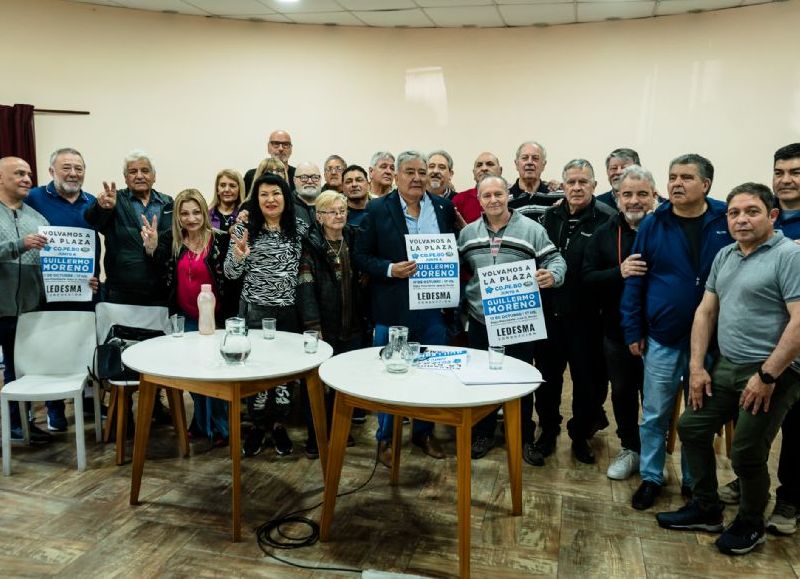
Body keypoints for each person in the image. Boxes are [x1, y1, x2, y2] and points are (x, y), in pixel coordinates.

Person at [656, 182, 800, 556]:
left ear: (771, 216)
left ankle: (751, 523)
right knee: (691, 427)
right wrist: (697, 367)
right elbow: (705, 311)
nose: (741, 219)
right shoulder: (726, 256)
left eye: (751, 211)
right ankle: (706, 508)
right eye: (734, 213)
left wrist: (767, 375)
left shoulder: (789, 256)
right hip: (726, 365)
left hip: (775, 372)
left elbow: (799, 322)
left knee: (747, 453)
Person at [621, 154, 733, 511]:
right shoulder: (655, 223)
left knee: (698, 419)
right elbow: (635, 278)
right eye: (672, 177)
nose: (676, 183)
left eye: (686, 177)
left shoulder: (724, 218)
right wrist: (632, 328)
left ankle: (693, 480)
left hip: (714, 341)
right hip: (662, 338)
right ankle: (652, 476)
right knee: (654, 413)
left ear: (706, 185)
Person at [717, 143, 800, 534]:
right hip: (760, 350)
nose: (786, 179)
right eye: (780, 171)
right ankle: (749, 480)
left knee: (797, 430)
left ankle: (790, 498)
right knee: (752, 426)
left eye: (796, 172)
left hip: (793, 353)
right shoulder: (762, 227)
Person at [355, 150, 456, 467]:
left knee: (431, 374)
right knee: (390, 375)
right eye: (409, 172)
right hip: (392, 309)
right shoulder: (376, 209)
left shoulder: (443, 207)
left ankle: (423, 433)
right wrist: (389, 269)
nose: (417, 178)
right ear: (396, 176)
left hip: (433, 310)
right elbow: (360, 256)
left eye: (422, 172)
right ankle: (386, 439)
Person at [458, 175, 566, 460]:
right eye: (487, 195)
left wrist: (552, 275)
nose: (493, 200)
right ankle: (482, 433)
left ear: (508, 195)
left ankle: (523, 437)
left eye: (498, 194)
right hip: (480, 320)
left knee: (520, 380)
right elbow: (457, 268)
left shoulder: (532, 229)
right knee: (482, 379)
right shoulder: (468, 233)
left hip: (518, 320)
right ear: (479, 200)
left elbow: (556, 260)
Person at [532, 159, 615, 466]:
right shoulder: (548, 217)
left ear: (594, 186)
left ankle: (580, 436)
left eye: (583, 182)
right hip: (550, 315)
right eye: (571, 182)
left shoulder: (608, 219)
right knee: (548, 379)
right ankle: (548, 431)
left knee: (586, 382)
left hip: (588, 318)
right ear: (562, 186)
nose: (577, 187)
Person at [582, 165, 659, 480]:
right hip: (617, 333)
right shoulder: (604, 232)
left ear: (654, 196)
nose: (634, 200)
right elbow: (587, 278)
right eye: (627, 194)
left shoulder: (666, 228)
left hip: (661, 334)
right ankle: (630, 448)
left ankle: (654, 457)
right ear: (616, 198)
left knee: (655, 398)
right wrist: (620, 272)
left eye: (642, 193)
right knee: (623, 392)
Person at [224, 173, 308, 458]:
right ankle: (258, 427)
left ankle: (279, 425)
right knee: (258, 374)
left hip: (288, 312)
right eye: (263, 195)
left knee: (283, 377)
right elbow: (230, 272)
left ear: (285, 197)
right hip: (255, 312)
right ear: (255, 200)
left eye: (275, 193)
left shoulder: (299, 228)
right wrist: (239, 254)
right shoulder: (244, 228)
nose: (270, 199)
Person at [143, 188, 234, 447]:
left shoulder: (220, 240)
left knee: (216, 375)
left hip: (217, 318)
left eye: (196, 212)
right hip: (186, 318)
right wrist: (150, 249)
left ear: (204, 213)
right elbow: (159, 275)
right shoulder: (169, 241)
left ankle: (221, 426)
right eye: (184, 213)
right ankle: (200, 422)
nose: (191, 218)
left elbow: (231, 276)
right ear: (178, 217)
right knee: (194, 374)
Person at [25, 147, 100, 430]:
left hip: (83, 291)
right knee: (50, 351)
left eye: (78, 168)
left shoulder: (92, 202)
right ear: (51, 171)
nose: (73, 173)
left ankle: (84, 402)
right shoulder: (33, 198)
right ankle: (54, 409)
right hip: (44, 293)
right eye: (66, 167)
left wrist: (96, 278)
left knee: (81, 349)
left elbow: (96, 243)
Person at [298, 191, 367, 458]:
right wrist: (313, 327)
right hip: (322, 327)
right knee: (316, 384)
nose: (338, 215)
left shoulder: (354, 238)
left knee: (343, 381)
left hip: (352, 325)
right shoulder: (311, 245)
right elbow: (305, 289)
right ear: (319, 216)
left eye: (342, 210)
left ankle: (339, 429)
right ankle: (315, 435)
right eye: (331, 211)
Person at [0, 157, 52, 444]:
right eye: (19, 173)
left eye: (29, 174)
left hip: (27, 311)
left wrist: (80, 283)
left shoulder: (38, 219)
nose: (26, 179)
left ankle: (20, 425)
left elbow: (52, 266)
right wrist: (19, 245)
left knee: (19, 371)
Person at [85, 150, 173, 307]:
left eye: (145, 171)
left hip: (160, 291)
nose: (139, 176)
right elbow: (93, 221)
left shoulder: (168, 203)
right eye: (133, 172)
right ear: (125, 178)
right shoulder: (113, 200)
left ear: (154, 176)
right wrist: (103, 208)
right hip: (121, 292)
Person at [508, 141, 564, 221]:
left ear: (543, 165)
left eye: (535, 158)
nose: (530, 162)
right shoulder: (504, 199)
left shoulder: (559, 196)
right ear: (516, 164)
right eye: (525, 158)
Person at [453, 152, 503, 224]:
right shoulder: (460, 199)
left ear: (500, 170)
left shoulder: (510, 196)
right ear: (474, 173)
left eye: (490, 164)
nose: (484, 168)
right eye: (479, 165)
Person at [243, 130, 295, 194]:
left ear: (291, 149)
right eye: (276, 144)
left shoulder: (298, 176)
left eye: (285, 144)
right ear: (268, 147)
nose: (281, 148)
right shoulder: (251, 176)